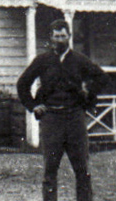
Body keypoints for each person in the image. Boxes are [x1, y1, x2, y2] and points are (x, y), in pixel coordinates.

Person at [16, 19, 108, 201]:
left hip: (75, 118)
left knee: (82, 169)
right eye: (56, 36)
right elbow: (22, 84)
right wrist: (34, 106)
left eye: (63, 36)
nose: (60, 40)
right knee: (50, 169)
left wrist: (88, 94)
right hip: (51, 119)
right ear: (51, 38)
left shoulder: (79, 60)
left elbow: (102, 78)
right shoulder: (42, 61)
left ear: (69, 37)